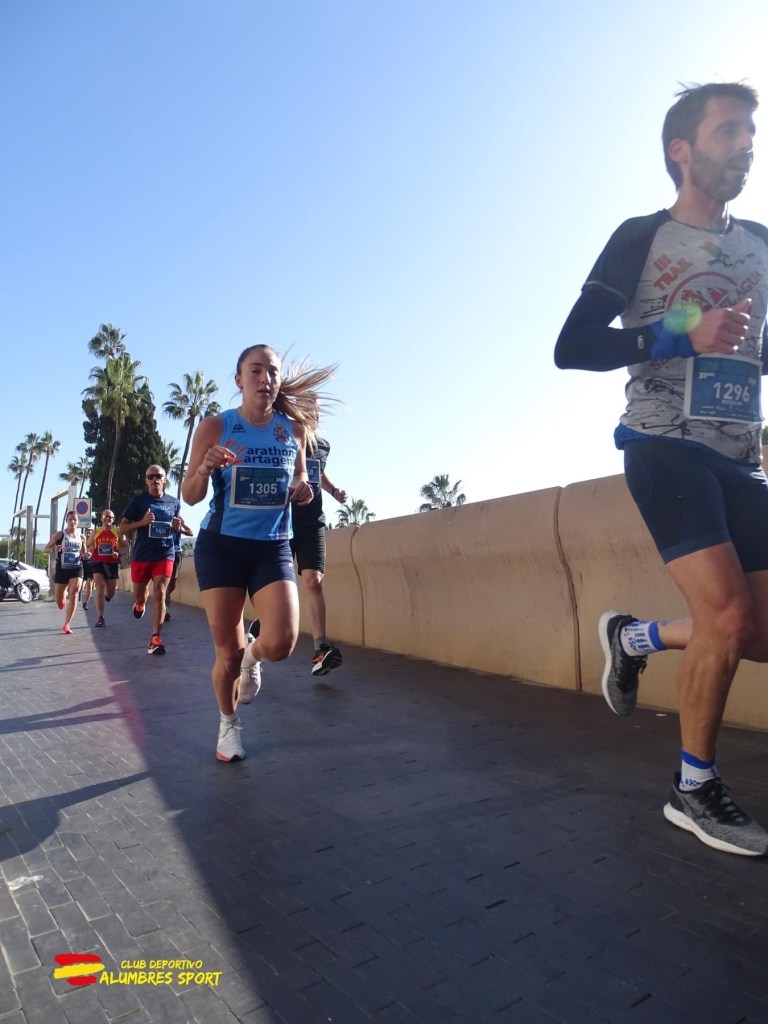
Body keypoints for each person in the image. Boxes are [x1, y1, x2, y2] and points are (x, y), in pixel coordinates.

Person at [555, 82, 768, 856]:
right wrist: (680, 333)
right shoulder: (641, 237)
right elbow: (573, 346)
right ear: (682, 150)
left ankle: (635, 637)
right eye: (728, 132)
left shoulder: (763, 244)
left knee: (755, 633)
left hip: (741, 453)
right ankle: (693, 788)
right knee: (728, 617)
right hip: (663, 443)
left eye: (750, 131)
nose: (746, 144)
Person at [181, 343, 335, 762]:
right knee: (225, 656)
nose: (265, 378)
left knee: (282, 642)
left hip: (273, 547)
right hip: (222, 548)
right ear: (239, 380)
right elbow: (190, 496)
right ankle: (228, 725)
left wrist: (302, 489)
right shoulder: (216, 426)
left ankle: (254, 657)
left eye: (272, 371)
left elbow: (300, 479)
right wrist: (204, 468)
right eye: (255, 370)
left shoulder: (294, 431)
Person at [292, 433, 347, 675]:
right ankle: (260, 634)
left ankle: (320, 650)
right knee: (274, 584)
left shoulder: (323, 445)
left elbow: (318, 472)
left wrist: (334, 491)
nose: (313, 415)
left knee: (313, 580)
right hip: (281, 521)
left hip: (312, 522)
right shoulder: (282, 434)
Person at [120, 465, 181, 655]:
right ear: (146, 480)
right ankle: (139, 604)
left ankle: (155, 639)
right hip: (142, 555)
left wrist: (177, 526)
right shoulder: (138, 501)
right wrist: (142, 522)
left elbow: (177, 525)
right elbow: (122, 528)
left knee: (160, 594)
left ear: (164, 479)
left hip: (165, 553)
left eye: (159, 476)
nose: (155, 479)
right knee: (140, 595)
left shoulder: (173, 502)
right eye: (151, 476)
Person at [44, 510, 86, 634]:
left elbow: (83, 553)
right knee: (60, 600)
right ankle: (62, 597)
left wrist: (87, 554)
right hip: (62, 569)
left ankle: (67, 625)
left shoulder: (82, 537)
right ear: (66, 521)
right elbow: (45, 549)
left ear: (78, 522)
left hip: (76, 568)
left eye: (75, 520)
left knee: (74, 594)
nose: (72, 522)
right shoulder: (59, 535)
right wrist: (54, 549)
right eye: (70, 519)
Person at [88, 509, 121, 627]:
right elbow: (88, 545)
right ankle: (100, 617)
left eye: (110, 517)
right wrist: (91, 548)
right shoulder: (96, 531)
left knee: (111, 593)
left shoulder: (117, 531)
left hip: (112, 563)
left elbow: (125, 546)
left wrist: (119, 553)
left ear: (113, 519)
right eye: (106, 516)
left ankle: (108, 596)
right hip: (98, 561)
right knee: (100, 586)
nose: (108, 519)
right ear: (101, 518)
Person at [163, 516, 194, 622]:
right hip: (164, 553)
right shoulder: (164, 518)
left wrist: (181, 526)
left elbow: (190, 532)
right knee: (165, 586)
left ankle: (164, 605)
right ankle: (164, 610)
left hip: (177, 553)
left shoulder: (177, 519)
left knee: (172, 586)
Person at [80, 529, 95, 609]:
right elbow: (81, 553)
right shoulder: (81, 542)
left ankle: (85, 603)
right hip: (81, 565)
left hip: (91, 565)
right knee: (79, 585)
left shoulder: (95, 543)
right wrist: (84, 554)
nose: (88, 534)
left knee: (89, 585)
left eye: (90, 533)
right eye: (87, 533)